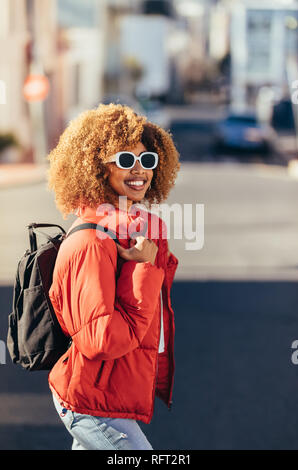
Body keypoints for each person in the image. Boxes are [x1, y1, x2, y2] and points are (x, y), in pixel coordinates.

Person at [46, 103, 180, 450]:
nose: (140, 170)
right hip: (90, 404)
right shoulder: (91, 242)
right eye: (124, 160)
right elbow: (102, 340)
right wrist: (144, 269)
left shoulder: (126, 234)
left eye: (147, 160)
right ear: (95, 167)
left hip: (106, 394)